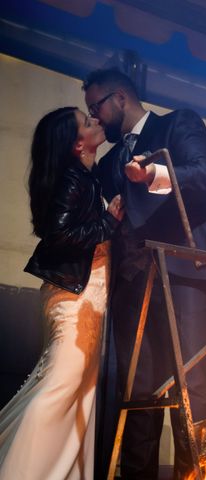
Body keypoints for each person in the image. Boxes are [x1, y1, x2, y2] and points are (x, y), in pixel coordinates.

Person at [83, 69, 206, 479]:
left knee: (192, 386)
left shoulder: (177, 124)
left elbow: (205, 177)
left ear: (120, 98)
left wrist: (152, 175)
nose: (95, 118)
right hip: (131, 285)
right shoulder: (109, 161)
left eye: (96, 108)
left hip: (186, 276)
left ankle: (198, 475)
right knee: (138, 395)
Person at [0, 107, 124, 479]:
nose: (96, 122)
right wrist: (108, 222)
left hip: (88, 294)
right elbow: (59, 236)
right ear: (77, 144)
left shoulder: (84, 178)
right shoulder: (74, 180)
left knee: (81, 390)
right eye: (88, 123)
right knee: (62, 385)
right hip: (75, 296)